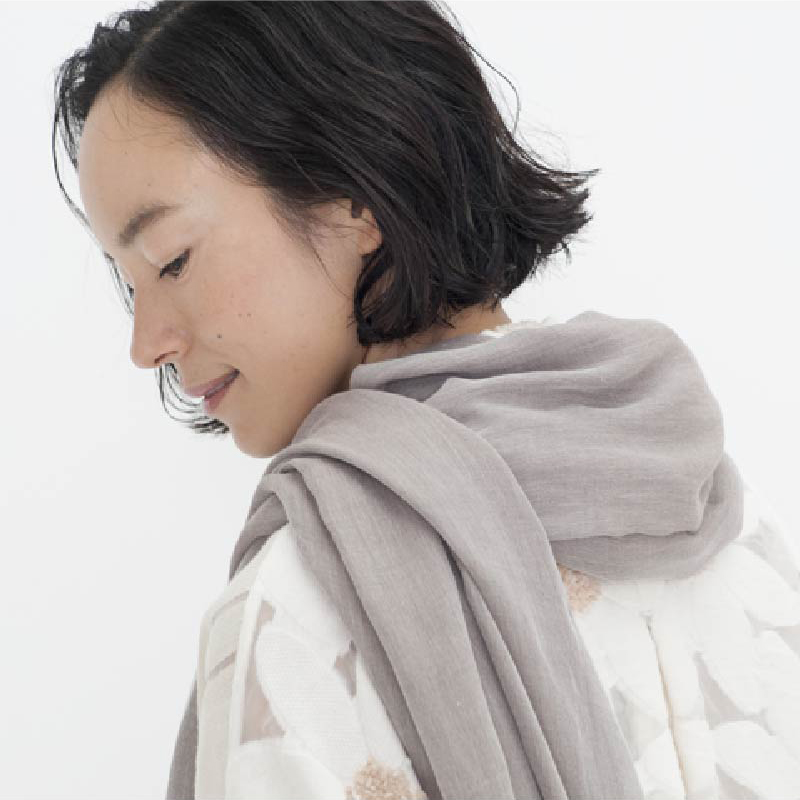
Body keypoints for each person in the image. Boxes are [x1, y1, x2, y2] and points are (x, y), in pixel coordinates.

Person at [53, 3, 800, 800]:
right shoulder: (728, 518)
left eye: (170, 261)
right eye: (129, 284)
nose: (147, 344)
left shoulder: (303, 610)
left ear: (352, 197)